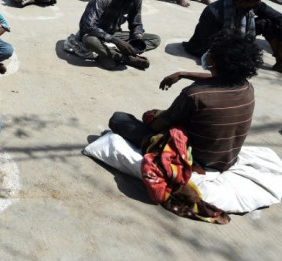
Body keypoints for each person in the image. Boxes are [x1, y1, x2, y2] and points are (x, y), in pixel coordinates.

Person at [109, 28, 262, 172]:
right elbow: (218, 79)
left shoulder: (194, 95)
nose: (207, 53)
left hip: (193, 159)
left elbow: (157, 126)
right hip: (226, 159)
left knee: (120, 118)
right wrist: (183, 74)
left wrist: (153, 117)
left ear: (215, 60)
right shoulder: (246, 87)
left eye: (211, 51)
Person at [183, 0, 282, 73]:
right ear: (241, 1)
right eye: (256, 1)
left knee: (271, 24)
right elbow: (210, 43)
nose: (258, 3)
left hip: (236, 36)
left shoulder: (253, 3)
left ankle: (280, 63)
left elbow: (278, 17)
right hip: (212, 45)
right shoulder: (213, 12)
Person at [78, 0, 160, 70]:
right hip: (95, 35)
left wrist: (137, 39)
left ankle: (110, 54)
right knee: (90, 40)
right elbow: (88, 26)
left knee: (155, 39)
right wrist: (116, 41)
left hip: (114, 34)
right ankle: (125, 58)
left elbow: (136, 24)